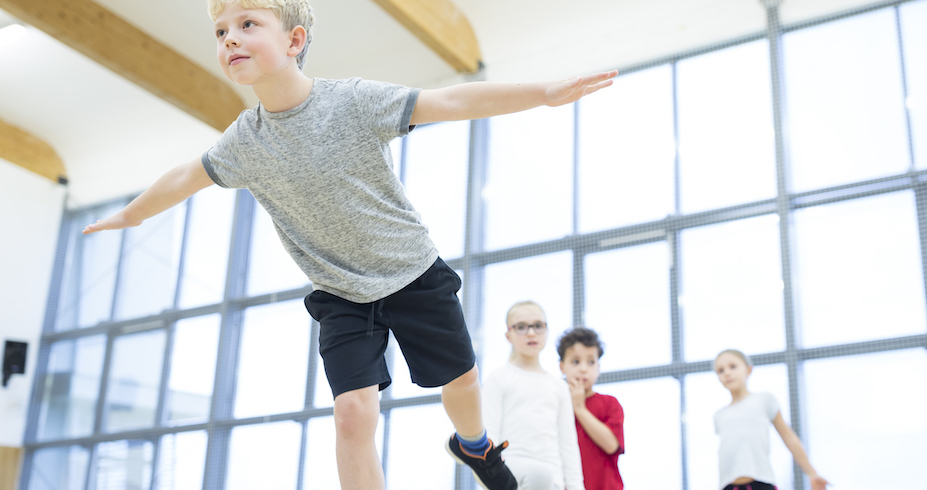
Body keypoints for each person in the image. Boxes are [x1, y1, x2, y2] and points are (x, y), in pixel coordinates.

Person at [80, 0, 617, 488]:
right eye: (220, 32)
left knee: (461, 385)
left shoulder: (354, 102)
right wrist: (130, 215)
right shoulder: (245, 140)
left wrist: (543, 94)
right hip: (340, 293)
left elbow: (450, 99)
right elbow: (185, 177)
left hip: (411, 272)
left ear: (293, 41)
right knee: (353, 413)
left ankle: (474, 447)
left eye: (247, 25)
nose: (229, 40)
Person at [482, 301, 585, 490]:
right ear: (508, 335)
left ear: (546, 330)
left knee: (543, 474)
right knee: (539, 474)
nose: (531, 333)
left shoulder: (558, 386)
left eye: (538, 326)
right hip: (511, 476)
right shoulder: (498, 378)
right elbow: (490, 436)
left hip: (553, 481)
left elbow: (568, 445)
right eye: (521, 327)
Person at [713, 349, 828, 490]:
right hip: (728, 486)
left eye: (733, 366)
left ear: (749, 370)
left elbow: (789, 437)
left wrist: (812, 473)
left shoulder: (764, 400)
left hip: (761, 483)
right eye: (720, 370)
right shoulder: (719, 415)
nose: (727, 373)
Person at [557, 327, 624, 489]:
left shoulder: (609, 403)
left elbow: (611, 445)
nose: (583, 368)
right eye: (575, 361)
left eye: (591, 362)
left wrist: (579, 408)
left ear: (598, 368)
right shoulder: (556, 405)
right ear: (562, 367)